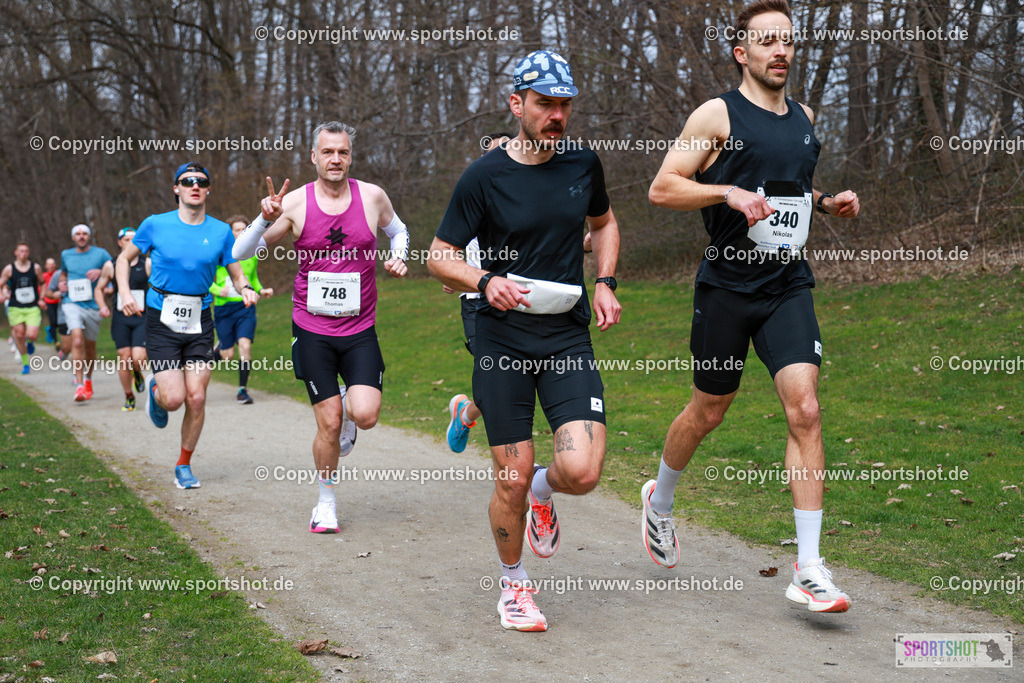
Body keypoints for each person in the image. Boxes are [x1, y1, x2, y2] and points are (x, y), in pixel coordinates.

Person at [643, 0, 860, 613]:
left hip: (786, 284)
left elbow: (785, 185)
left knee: (807, 408)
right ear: (742, 52)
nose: (780, 50)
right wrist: (727, 193)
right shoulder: (717, 114)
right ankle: (659, 502)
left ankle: (810, 567)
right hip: (728, 287)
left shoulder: (805, 118)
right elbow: (664, 187)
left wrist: (824, 202)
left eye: (788, 41)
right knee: (708, 412)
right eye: (767, 41)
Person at [426, 50, 622, 632]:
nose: (556, 115)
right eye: (545, 104)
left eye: (565, 105)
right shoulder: (483, 177)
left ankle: (545, 487)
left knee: (583, 472)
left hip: (566, 335)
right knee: (508, 476)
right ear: (518, 104)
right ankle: (514, 587)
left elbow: (604, 223)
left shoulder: (584, 164)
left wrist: (606, 281)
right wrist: (485, 282)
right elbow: (439, 257)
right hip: (502, 339)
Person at [232, 121, 409, 535]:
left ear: (350, 156)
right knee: (328, 423)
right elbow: (242, 252)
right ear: (314, 157)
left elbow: (398, 230)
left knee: (363, 415)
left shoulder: (372, 196)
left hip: (360, 327)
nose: (335, 159)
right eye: (327, 152)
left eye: (342, 152)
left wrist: (399, 256)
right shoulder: (293, 204)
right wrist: (262, 219)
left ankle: (348, 408)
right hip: (311, 329)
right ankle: (325, 502)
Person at [117, 162, 258, 490]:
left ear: (208, 189)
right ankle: (156, 391)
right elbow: (125, 259)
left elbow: (236, 272)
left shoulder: (222, 231)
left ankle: (183, 464)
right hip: (161, 320)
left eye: (201, 181)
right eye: (187, 181)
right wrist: (125, 293)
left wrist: (245, 288)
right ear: (176, 189)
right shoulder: (155, 224)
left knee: (196, 398)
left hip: (200, 321)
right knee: (175, 399)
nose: (195, 185)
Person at [443, 131, 512, 453]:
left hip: (518, 301)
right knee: (495, 382)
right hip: (477, 302)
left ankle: (466, 414)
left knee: (510, 381)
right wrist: (454, 273)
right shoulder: (470, 195)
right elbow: (445, 252)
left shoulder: (525, 198)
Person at [210, 215, 274, 405]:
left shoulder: (251, 254)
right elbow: (204, 280)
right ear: (230, 233)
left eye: (243, 229)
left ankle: (242, 391)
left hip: (245, 307)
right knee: (227, 354)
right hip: (223, 309)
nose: (239, 233)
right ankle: (208, 357)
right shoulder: (218, 253)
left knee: (245, 346)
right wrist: (217, 289)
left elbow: (251, 280)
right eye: (236, 229)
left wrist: (261, 290)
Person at [95, 228, 149, 411]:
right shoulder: (111, 265)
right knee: (124, 357)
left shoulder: (147, 263)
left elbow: (159, 286)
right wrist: (102, 305)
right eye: (127, 240)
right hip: (121, 318)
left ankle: (137, 372)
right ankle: (129, 396)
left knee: (139, 358)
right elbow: (98, 288)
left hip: (143, 316)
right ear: (120, 242)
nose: (131, 243)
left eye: (134, 239)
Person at [58, 225, 112, 399]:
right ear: (73, 237)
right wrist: (62, 284)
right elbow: (64, 274)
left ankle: (88, 379)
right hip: (71, 303)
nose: (81, 237)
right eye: (78, 234)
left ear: (89, 236)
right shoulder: (66, 255)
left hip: (94, 306)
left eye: (84, 234)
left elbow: (115, 270)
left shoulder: (101, 254)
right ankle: (79, 384)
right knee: (77, 339)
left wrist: (101, 271)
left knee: (90, 348)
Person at [0, 243, 46, 374]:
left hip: (32, 307)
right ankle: (26, 364)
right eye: (21, 251)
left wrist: (41, 298)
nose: (24, 253)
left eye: (26, 251)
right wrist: (2, 295)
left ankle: (31, 342)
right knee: (19, 335)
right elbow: (1, 283)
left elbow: (42, 283)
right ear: (16, 252)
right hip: (16, 307)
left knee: (32, 335)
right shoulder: (9, 269)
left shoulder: (35, 268)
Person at [41, 258, 59, 345]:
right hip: (48, 302)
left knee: (59, 323)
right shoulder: (43, 276)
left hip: (59, 301)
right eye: (49, 264)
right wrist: (42, 300)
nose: (51, 266)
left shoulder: (59, 275)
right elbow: (40, 289)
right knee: (53, 321)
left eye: (52, 264)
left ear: (55, 265)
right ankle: (56, 342)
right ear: (46, 266)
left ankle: (50, 329)